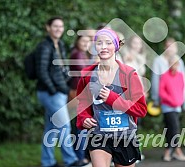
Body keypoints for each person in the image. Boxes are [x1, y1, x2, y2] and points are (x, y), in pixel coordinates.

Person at [76, 28, 147, 167]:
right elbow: (82, 104)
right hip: (99, 135)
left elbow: (141, 109)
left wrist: (112, 99)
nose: (103, 47)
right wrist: (83, 118)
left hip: (125, 137)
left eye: (108, 43)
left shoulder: (129, 74)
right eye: (99, 43)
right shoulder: (87, 75)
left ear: (116, 46)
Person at [36, 16, 81, 167]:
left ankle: (47, 161)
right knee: (64, 125)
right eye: (55, 26)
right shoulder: (44, 46)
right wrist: (54, 89)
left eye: (61, 27)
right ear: (48, 27)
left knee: (51, 127)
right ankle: (71, 160)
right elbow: (41, 71)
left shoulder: (60, 45)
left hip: (59, 92)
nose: (58, 29)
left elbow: (60, 69)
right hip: (50, 93)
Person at [68, 34, 94, 166]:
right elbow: (84, 72)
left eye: (87, 41)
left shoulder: (83, 54)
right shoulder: (77, 54)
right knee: (81, 126)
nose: (85, 43)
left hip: (82, 93)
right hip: (77, 94)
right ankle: (80, 158)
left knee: (83, 127)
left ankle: (83, 157)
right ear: (77, 41)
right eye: (83, 40)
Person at [159, 55, 185, 161]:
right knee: (175, 128)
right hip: (168, 107)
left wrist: (180, 101)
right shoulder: (164, 76)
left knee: (170, 130)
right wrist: (171, 101)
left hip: (177, 106)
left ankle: (168, 152)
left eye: (176, 64)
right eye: (172, 63)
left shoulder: (180, 75)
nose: (174, 66)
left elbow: (181, 88)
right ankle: (177, 150)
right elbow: (162, 92)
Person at [151, 38, 185, 110]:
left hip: (177, 99)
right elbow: (155, 81)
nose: (170, 49)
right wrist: (156, 98)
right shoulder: (158, 61)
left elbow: (183, 82)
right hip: (164, 99)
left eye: (172, 47)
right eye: (168, 46)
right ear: (165, 48)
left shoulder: (179, 61)